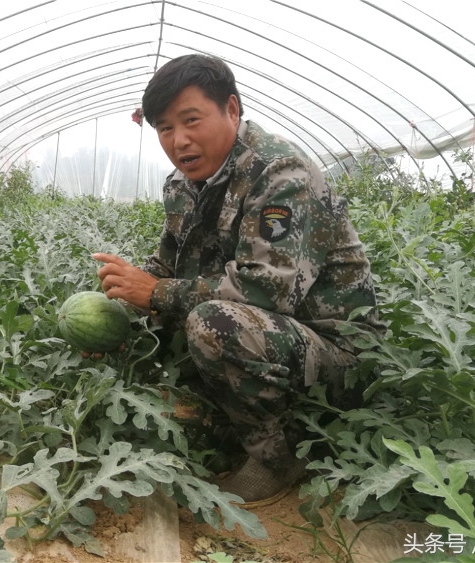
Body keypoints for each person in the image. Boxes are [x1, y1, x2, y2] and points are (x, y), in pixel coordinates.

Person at [92, 54, 384, 504]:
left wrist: (156, 292)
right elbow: (165, 267)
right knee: (160, 317)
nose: (179, 140)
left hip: (337, 354)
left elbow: (270, 288)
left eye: (191, 120)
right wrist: (119, 306)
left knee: (213, 323)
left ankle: (276, 455)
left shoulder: (281, 172)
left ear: (231, 109)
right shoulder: (181, 184)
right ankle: (226, 420)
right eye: (165, 128)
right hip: (268, 340)